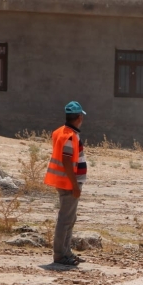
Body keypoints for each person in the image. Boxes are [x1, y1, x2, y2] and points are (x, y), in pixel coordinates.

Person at [44, 101, 88, 266]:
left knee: (69, 218)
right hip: (68, 183)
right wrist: (75, 185)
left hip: (64, 181)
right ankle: (60, 254)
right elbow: (67, 160)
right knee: (66, 219)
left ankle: (66, 252)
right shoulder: (70, 135)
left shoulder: (60, 132)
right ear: (79, 117)